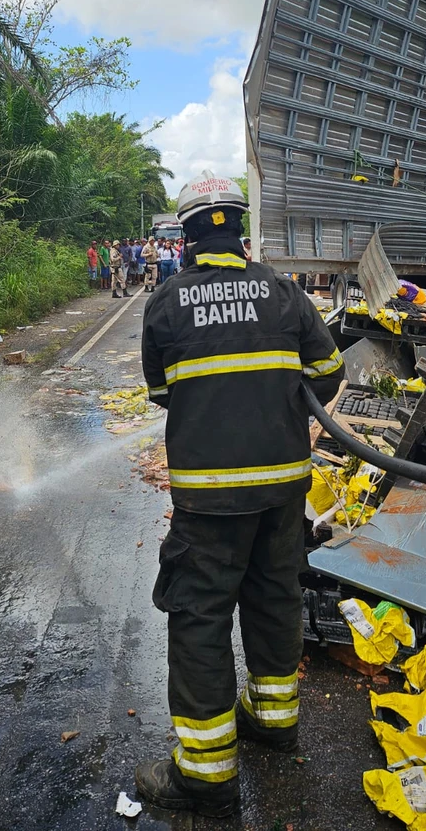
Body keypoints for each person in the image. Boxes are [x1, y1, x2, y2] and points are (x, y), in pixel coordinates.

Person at [137, 170, 344, 817]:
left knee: (199, 614)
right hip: (284, 490)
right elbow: (330, 374)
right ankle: (275, 722)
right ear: (239, 228)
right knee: (273, 593)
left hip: (209, 502)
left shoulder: (166, 303)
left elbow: (166, 390)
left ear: (189, 234)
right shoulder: (284, 293)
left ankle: (205, 775)